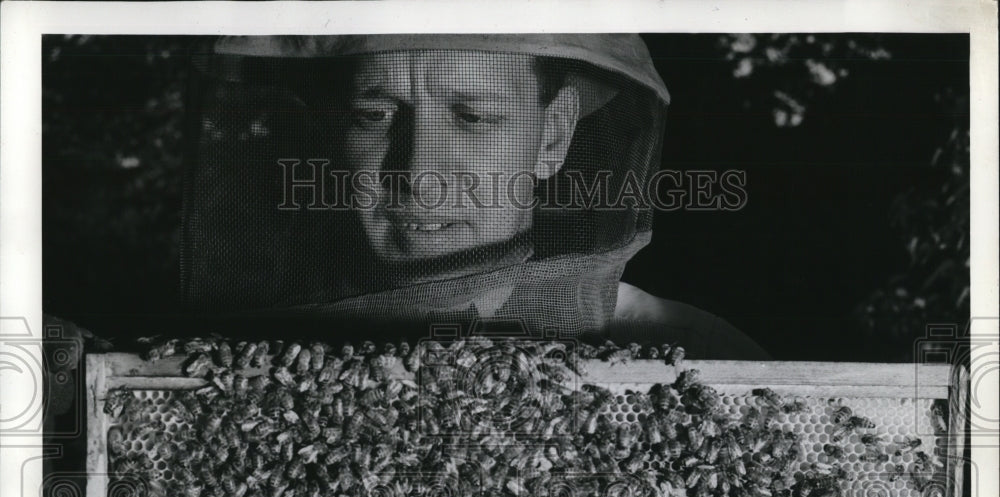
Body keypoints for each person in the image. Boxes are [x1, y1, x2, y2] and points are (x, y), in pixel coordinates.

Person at [183, 34, 768, 358]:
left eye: (473, 116)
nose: (419, 171)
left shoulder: (695, 356)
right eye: (375, 115)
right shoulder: (241, 356)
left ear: (554, 135)